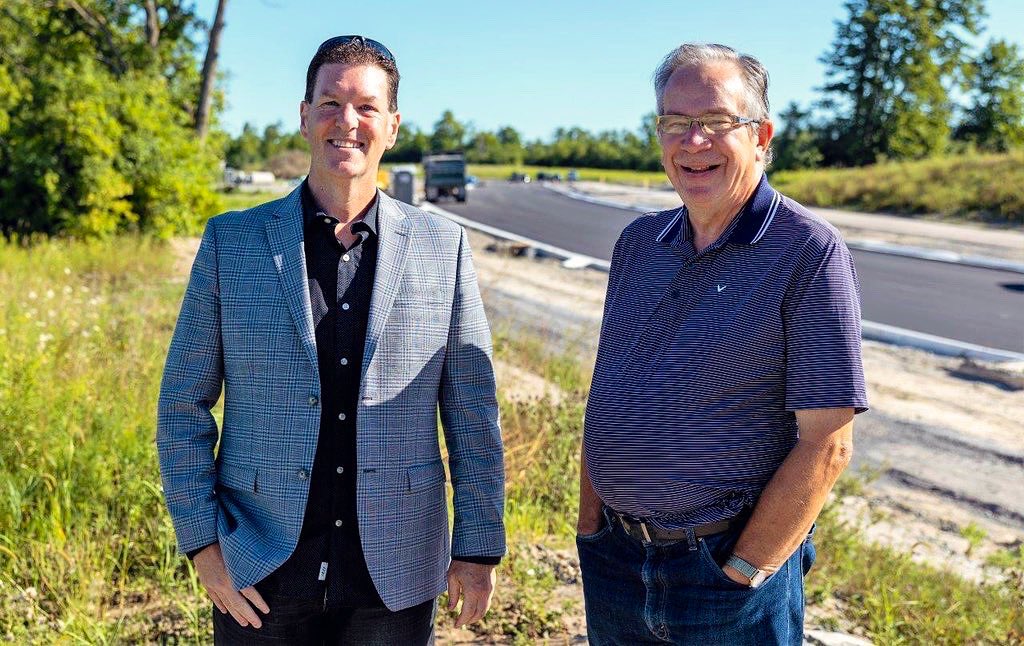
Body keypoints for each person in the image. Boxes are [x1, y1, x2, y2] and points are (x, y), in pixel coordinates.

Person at [157, 35, 505, 644]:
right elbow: (182, 404)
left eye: (367, 107)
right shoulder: (230, 244)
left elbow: (471, 412)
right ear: (304, 115)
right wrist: (203, 547)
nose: (347, 122)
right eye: (330, 103)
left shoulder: (441, 246)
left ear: (391, 126)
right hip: (259, 569)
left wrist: (477, 546)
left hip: (395, 577)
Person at [577, 43, 868, 645]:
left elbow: (828, 442)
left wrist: (745, 568)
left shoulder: (808, 252)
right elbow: (608, 395)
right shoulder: (637, 242)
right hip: (615, 563)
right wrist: (591, 529)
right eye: (675, 123)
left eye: (715, 122)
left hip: (721, 576)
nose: (694, 141)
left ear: (761, 135)